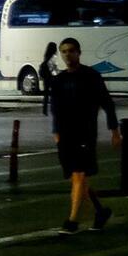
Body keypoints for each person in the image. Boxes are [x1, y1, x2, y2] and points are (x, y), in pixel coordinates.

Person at [50, 37, 120, 234]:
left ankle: (72, 221)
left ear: (79, 53)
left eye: (71, 51)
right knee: (77, 178)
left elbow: (107, 103)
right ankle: (100, 211)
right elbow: (56, 108)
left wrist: (114, 131)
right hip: (66, 134)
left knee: (79, 175)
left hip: (85, 133)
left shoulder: (91, 76)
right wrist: (56, 131)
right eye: (64, 51)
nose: (67, 55)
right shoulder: (59, 80)